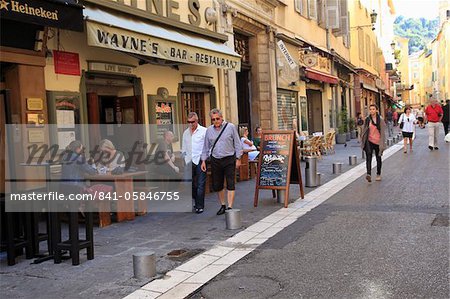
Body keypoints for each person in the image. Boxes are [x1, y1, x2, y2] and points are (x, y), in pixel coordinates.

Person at [201, 108, 243, 215]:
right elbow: (206, 147)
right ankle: (223, 205)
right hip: (216, 159)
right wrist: (203, 161)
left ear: (221, 117)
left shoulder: (230, 127)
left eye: (217, 119)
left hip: (229, 158)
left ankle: (230, 207)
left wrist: (238, 158)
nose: (216, 121)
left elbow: (238, 144)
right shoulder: (209, 130)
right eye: (213, 119)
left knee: (230, 183)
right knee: (218, 184)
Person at [181, 112, 207, 214]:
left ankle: (199, 206)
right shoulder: (185, 133)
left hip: (200, 160)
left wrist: (204, 159)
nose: (190, 124)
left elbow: (207, 147)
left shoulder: (204, 131)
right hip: (189, 161)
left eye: (192, 122)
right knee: (189, 184)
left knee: (201, 184)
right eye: (188, 122)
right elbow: (183, 148)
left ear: (196, 121)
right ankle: (196, 200)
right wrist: (184, 160)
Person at [360, 104, 387, 182]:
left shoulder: (380, 120)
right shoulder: (367, 119)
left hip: (378, 142)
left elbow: (382, 132)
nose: (372, 111)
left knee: (378, 158)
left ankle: (378, 174)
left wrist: (382, 143)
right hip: (369, 141)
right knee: (368, 157)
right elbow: (364, 129)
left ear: (376, 110)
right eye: (370, 109)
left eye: (373, 109)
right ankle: (369, 174)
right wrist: (362, 137)